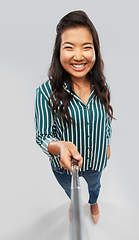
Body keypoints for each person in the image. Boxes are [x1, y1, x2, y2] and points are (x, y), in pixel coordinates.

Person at [34, 10, 114, 224]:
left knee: (95, 186)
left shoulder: (103, 87)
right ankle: (74, 201)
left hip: (96, 159)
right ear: (58, 52)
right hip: (64, 166)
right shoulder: (44, 93)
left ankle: (93, 202)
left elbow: (106, 117)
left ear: (95, 51)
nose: (79, 56)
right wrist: (59, 147)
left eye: (86, 47)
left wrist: (106, 142)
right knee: (72, 190)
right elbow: (42, 135)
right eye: (69, 47)